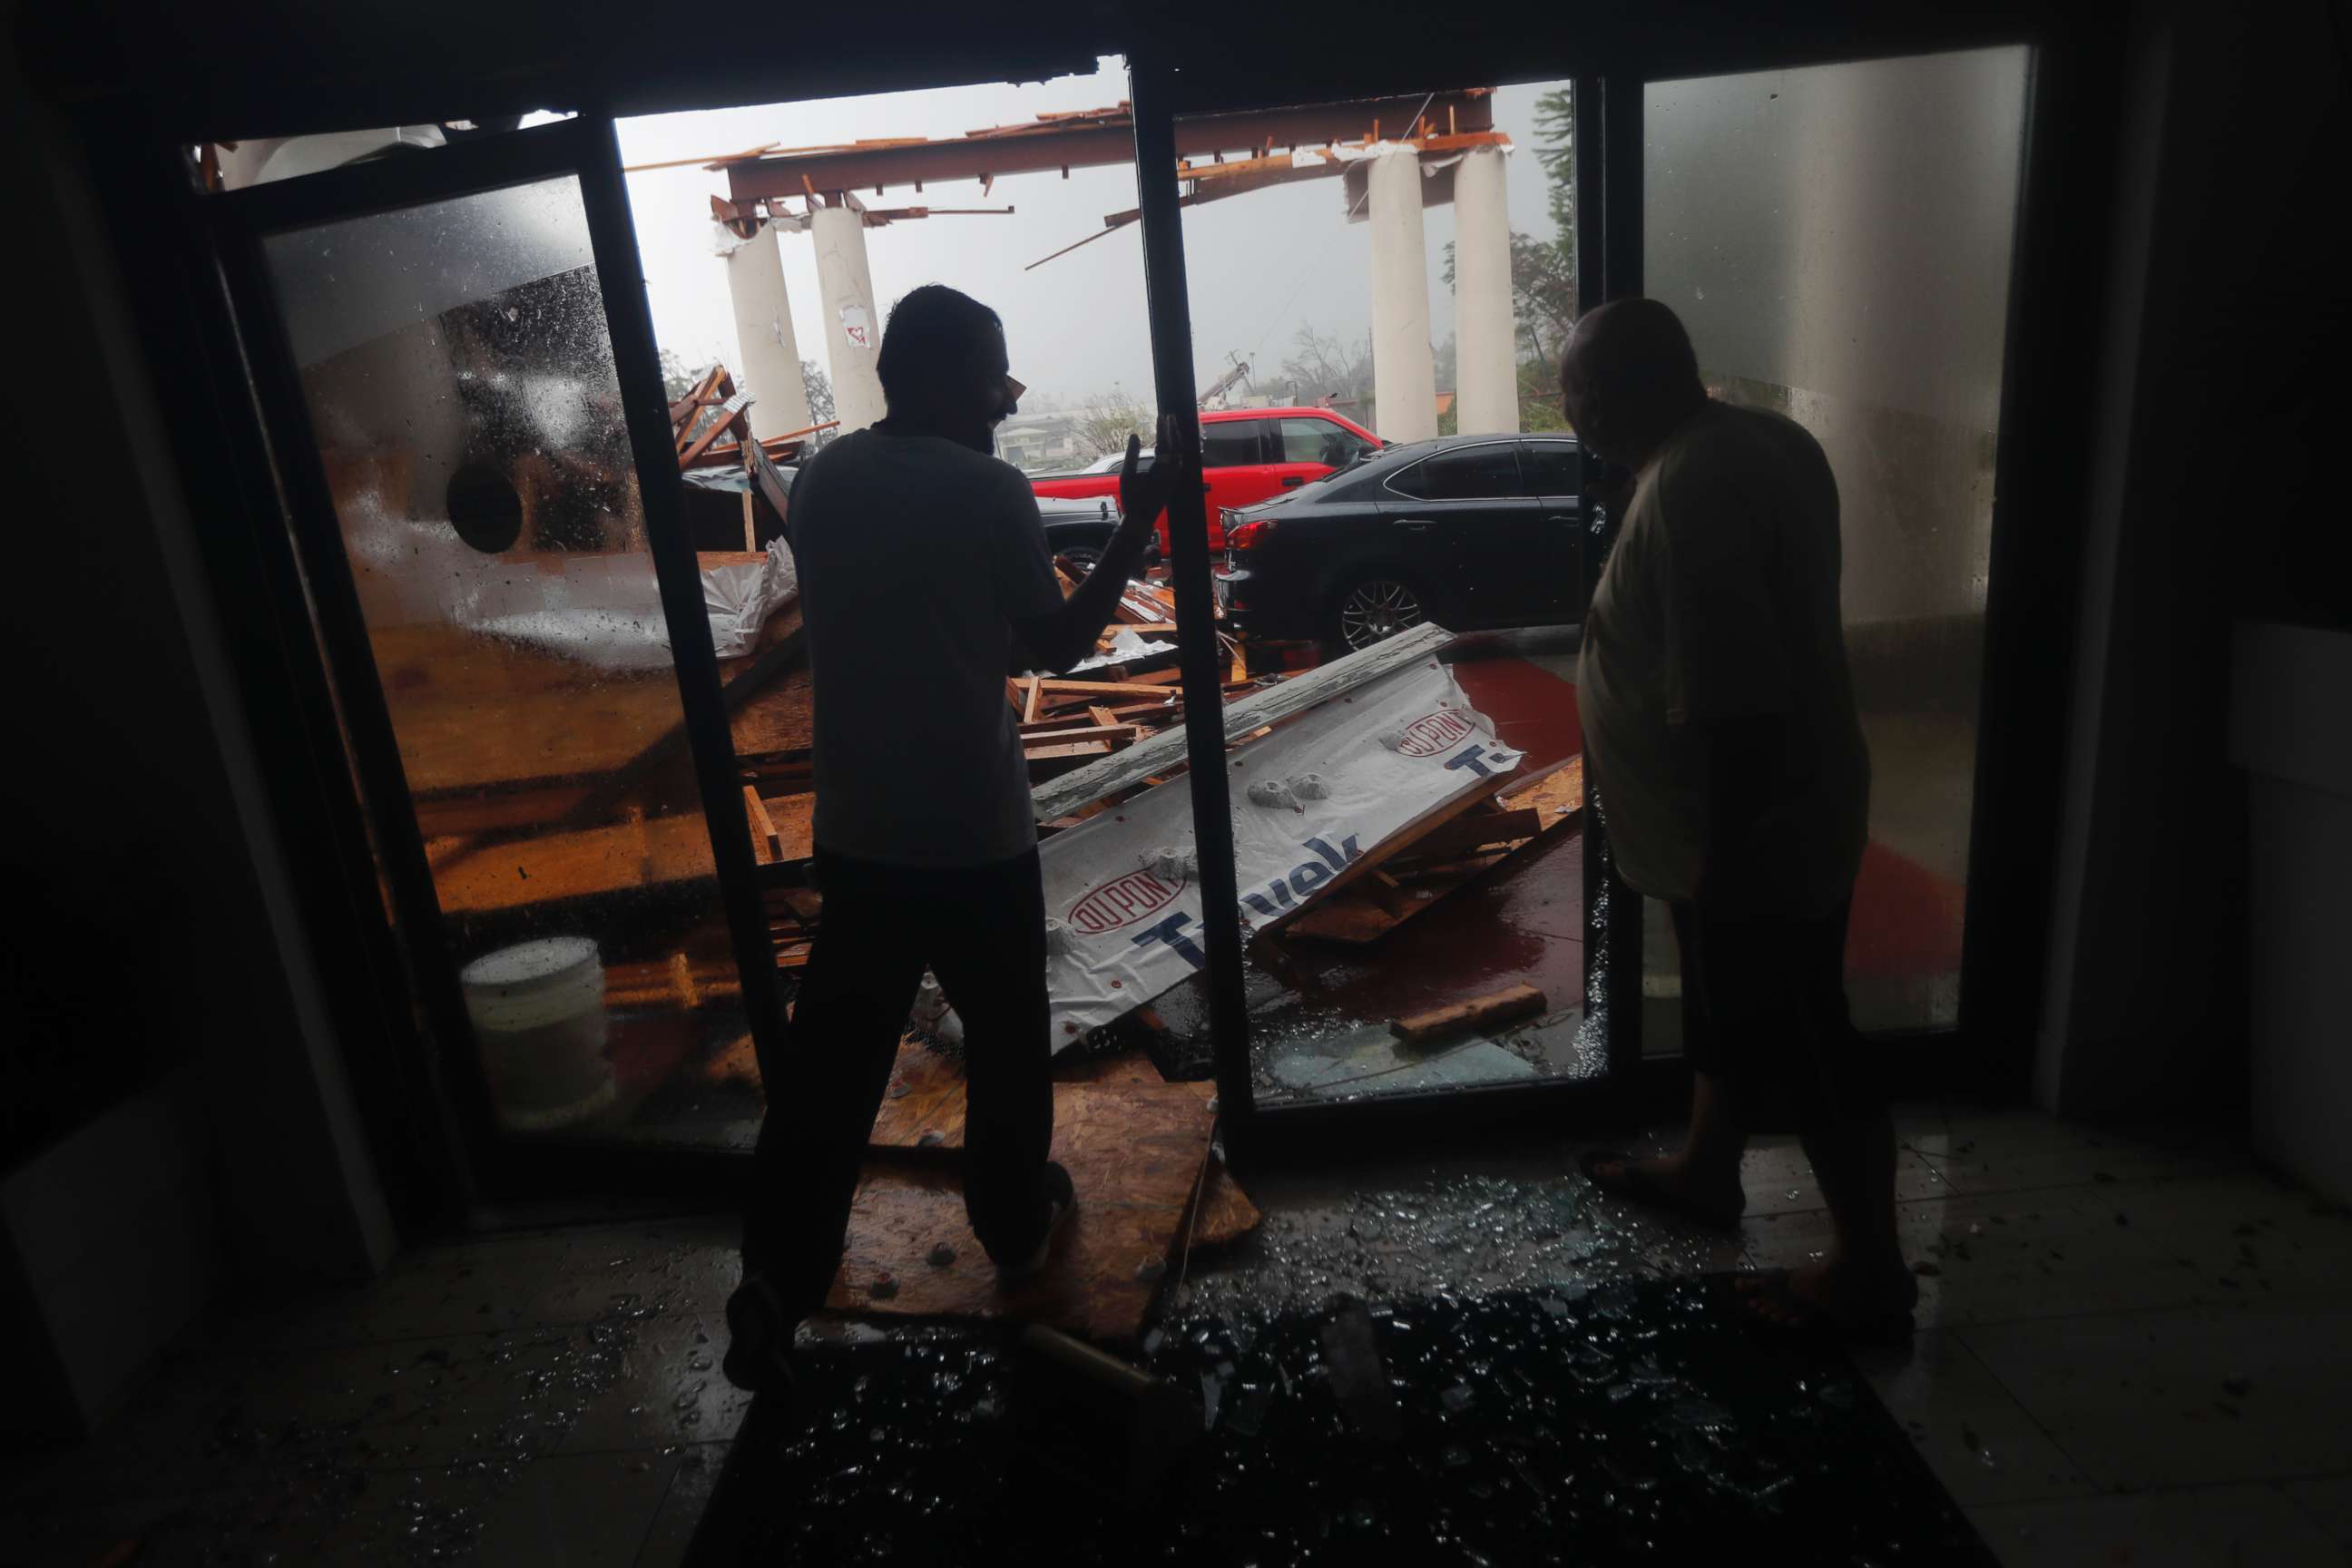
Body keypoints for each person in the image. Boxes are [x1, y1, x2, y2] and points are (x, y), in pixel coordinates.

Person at [724, 285, 1179, 1392]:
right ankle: (1015, 1228)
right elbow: (1060, 646)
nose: (1004, 398)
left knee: (832, 1070)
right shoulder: (989, 492)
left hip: (860, 834)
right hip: (975, 838)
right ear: (934, 378)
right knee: (1009, 1044)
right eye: (991, 374)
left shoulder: (824, 480)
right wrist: (1139, 517)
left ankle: (776, 1284)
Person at [1563, 298, 1914, 1339]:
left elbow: (1733, 696)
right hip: (1751, 812)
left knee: (1806, 1032)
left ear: (1614, 394)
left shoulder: (1693, 485)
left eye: (1576, 392)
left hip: (1750, 822)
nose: (1572, 414)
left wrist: (1727, 861)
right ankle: (1710, 1169)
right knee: (1740, 1009)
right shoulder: (1758, 441)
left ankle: (1871, 1274)